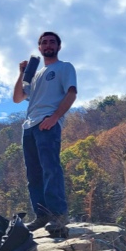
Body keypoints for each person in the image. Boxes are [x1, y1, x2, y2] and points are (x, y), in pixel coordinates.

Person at [11, 31, 78, 237]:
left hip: (47, 122)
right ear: (39, 48)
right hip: (29, 127)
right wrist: (21, 73)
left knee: (50, 168)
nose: (48, 45)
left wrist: (55, 117)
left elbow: (72, 93)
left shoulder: (64, 67)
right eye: (44, 43)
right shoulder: (35, 75)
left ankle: (58, 214)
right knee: (33, 174)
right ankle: (42, 215)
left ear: (58, 46)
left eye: (52, 42)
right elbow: (17, 98)